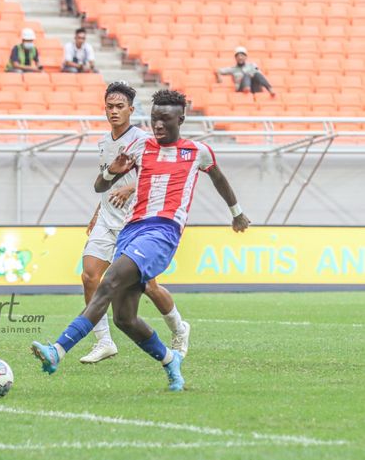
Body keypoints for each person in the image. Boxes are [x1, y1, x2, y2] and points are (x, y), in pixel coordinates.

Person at [32, 90, 250, 391]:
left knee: (107, 283)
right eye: (154, 119)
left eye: (165, 120)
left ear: (181, 119)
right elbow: (100, 186)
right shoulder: (142, 147)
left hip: (162, 232)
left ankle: (57, 350)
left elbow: (219, 179)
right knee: (125, 318)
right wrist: (112, 171)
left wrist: (236, 213)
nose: (158, 125)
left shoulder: (196, 151)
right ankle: (169, 359)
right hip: (131, 229)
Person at [79, 81, 189, 364]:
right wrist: (97, 211)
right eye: (109, 107)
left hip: (136, 221)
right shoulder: (104, 143)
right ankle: (104, 342)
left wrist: (131, 189)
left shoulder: (144, 141)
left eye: (119, 107)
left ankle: (179, 328)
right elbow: (107, 180)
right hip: (107, 217)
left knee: (150, 287)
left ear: (131, 109)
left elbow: (162, 176)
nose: (114, 112)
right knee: (89, 276)